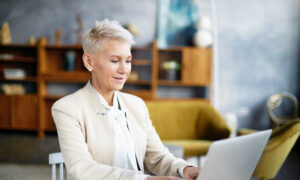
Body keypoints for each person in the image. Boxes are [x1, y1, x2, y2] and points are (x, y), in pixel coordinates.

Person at [52, 19, 200, 180]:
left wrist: (185, 169)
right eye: (115, 61)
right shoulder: (67, 108)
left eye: (128, 61)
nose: (124, 69)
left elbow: (157, 157)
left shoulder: (136, 105)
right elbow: (82, 168)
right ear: (89, 61)